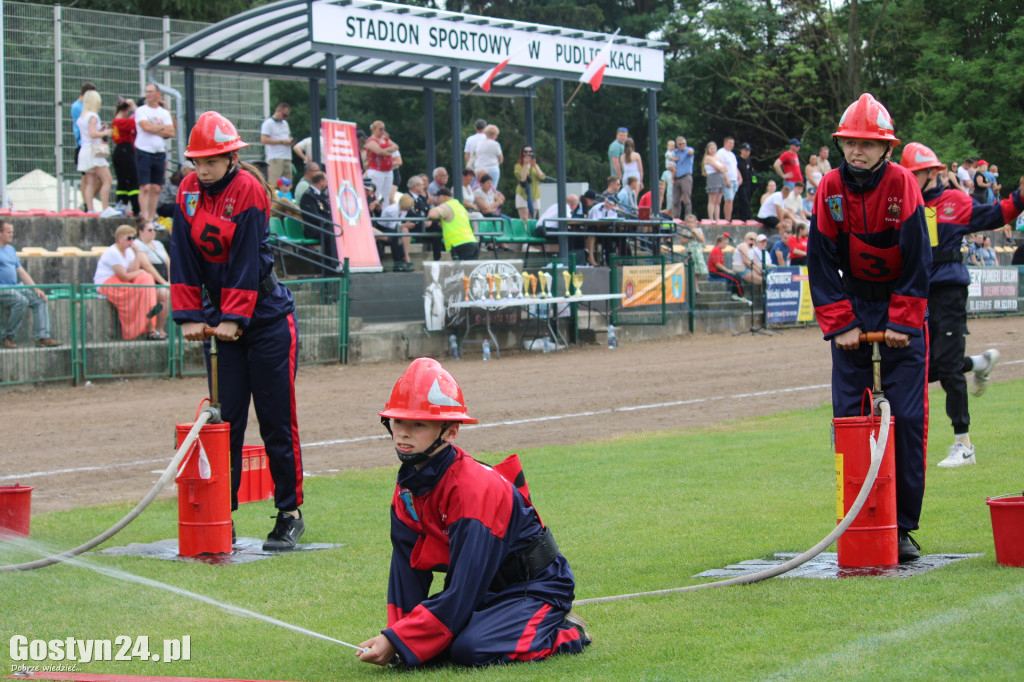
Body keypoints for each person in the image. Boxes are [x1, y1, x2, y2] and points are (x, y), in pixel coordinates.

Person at [356, 358, 589, 668]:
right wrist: (398, 637)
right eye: (398, 421)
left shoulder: (472, 490)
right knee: (430, 650)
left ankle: (566, 632)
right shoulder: (407, 490)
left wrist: (402, 639)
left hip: (537, 587)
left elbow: (463, 587)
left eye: (419, 424)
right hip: (487, 589)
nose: (404, 433)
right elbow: (406, 568)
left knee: (470, 649)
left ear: (450, 432)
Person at [171, 111, 306, 550]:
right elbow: (183, 255)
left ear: (231, 158)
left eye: (211, 161)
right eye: (197, 161)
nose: (203, 169)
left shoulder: (248, 189)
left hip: (266, 320)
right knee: (224, 423)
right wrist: (191, 314)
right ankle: (219, 515)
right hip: (220, 323)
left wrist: (234, 317)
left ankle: (289, 512)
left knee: (275, 421)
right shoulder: (188, 191)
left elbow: (247, 260)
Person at [807, 93, 930, 562]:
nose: (856, 151)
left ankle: (901, 526)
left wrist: (902, 320)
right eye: (849, 143)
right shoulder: (830, 188)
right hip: (853, 303)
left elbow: (919, 259)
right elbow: (819, 261)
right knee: (850, 417)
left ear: (886, 148)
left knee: (908, 418)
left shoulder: (903, 185)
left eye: (867, 143)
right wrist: (840, 323)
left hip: (901, 305)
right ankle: (855, 518)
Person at [899, 141, 1020, 467]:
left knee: (947, 368)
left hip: (949, 292)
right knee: (924, 368)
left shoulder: (953, 201)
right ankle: (978, 363)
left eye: (915, 174)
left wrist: (1019, 199)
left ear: (931, 173)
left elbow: (995, 214)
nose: (910, 180)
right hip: (918, 296)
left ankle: (964, 445)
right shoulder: (903, 207)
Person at [94, 224, 164, 340]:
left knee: (146, 278)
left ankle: (150, 313)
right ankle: (148, 317)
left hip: (121, 281)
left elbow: (133, 271)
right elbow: (124, 277)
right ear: (120, 239)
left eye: (133, 238)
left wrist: (137, 254)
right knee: (140, 289)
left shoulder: (129, 251)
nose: (132, 241)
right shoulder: (112, 252)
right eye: (129, 238)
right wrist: (139, 272)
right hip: (108, 283)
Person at [0, 221, 61, 348]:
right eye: (8, 232)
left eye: (12, 232)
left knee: (40, 299)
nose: (11, 235)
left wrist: (35, 289)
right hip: (2, 288)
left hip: (15, 287)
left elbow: (21, 272)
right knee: (21, 301)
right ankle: (8, 337)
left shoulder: (11, 250)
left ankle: (42, 337)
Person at [134, 83, 175, 223]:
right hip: (144, 151)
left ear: (158, 94)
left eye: (151, 92)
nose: (148, 94)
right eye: (147, 92)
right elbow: (145, 127)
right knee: (145, 186)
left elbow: (171, 131)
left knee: (156, 187)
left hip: (159, 152)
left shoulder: (164, 113)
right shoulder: (141, 110)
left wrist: (154, 128)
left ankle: (152, 217)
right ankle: (144, 217)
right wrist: (161, 128)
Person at [76, 90, 119, 218]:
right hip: (94, 151)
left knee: (90, 181)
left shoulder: (82, 117)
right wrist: (106, 133)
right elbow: (93, 134)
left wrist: (98, 131)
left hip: (85, 149)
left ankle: (90, 209)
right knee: (107, 179)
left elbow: (89, 133)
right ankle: (105, 207)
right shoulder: (93, 116)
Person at [300, 171, 338, 274]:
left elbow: (327, 212)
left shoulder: (321, 195)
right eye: (326, 181)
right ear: (321, 181)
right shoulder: (308, 196)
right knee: (331, 234)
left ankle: (335, 264)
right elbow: (313, 215)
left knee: (337, 232)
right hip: (313, 229)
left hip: (324, 227)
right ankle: (331, 266)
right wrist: (328, 222)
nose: (327, 184)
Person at [428, 188, 479, 260]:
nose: (437, 200)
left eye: (438, 197)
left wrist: (431, 208)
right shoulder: (459, 206)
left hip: (459, 244)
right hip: (472, 242)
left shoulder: (446, 206)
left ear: (443, 197)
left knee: (461, 271)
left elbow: (432, 215)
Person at [110, 98, 140, 216]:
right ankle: (136, 207)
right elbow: (141, 120)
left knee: (122, 179)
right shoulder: (122, 122)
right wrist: (134, 106)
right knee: (132, 178)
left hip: (119, 150)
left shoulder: (115, 121)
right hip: (125, 150)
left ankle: (121, 202)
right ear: (126, 109)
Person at [71, 82, 97, 211]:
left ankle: (88, 201)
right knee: (86, 177)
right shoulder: (78, 107)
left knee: (95, 177)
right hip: (83, 144)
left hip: (90, 144)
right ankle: (86, 203)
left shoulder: (86, 108)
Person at [365, 120, 399, 207]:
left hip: (388, 170)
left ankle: (385, 213)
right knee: (375, 192)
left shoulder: (385, 139)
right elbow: (379, 152)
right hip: (376, 170)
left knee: (386, 195)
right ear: (373, 129)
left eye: (383, 129)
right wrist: (388, 151)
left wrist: (385, 151)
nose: (382, 132)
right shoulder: (370, 141)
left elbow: (396, 146)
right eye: (380, 129)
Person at [376, 193, 414, 272]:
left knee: (399, 235)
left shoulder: (403, 209)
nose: (409, 209)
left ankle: (400, 262)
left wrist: (403, 226)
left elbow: (397, 224)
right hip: (382, 228)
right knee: (396, 237)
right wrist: (405, 225)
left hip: (391, 228)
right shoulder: (393, 210)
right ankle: (399, 262)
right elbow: (392, 226)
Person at [707, 234, 748, 303]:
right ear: (718, 242)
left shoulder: (719, 250)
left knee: (737, 277)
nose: (725, 245)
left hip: (719, 271)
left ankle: (735, 294)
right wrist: (727, 270)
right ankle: (741, 296)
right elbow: (717, 264)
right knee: (735, 279)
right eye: (724, 243)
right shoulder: (716, 250)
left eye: (726, 243)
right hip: (715, 272)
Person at [260, 102, 293, 188]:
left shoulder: (285, 123)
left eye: (287, 116)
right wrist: (281, 141)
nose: (285, 118)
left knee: (288, 182)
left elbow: (287, 136)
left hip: (287, 156)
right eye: (284, 115)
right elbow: (264, 140)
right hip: (275, 156)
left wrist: (290, 140)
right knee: (274, 182)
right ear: (278, 111)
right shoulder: (268, 123)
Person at [514, 145, 546, 221]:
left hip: (534, 194)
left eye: (530, 152)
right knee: (524, 218)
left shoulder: (535, 166)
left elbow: (542, 177)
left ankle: (530, 232)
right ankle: (524, 232)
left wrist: (535, 165)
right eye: (526, 152)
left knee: (532, 218)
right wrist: (526, 165)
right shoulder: (518, 166)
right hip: (523, 193)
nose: (528, 154)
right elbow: (523, 178)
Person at [679, 214, 707, 289]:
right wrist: (690, 237)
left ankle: (695, 283)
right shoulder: (685, 231)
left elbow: (702, 240)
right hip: (689, 251)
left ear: (695, 223)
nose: (690, 224)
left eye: (691, 222)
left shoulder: (699, 230)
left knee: (700, 270)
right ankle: (695, 287)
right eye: (688, 222)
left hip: (697, 251)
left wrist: (696, 234)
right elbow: (682, 242)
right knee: (692, 270)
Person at [702, 141, 729, 221]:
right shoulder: (708, 158)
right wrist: (721, 169)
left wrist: (722, 169)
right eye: (711, 148)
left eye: (714, 148)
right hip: (713, 178)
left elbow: (726, 168)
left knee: (718, 200)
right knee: (712, 199)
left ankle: (717, 218)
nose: (713, 150)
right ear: (708, 149)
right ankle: (711, 218)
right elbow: (719, 168)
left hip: (720, 178)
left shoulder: (718, 157)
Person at [671, 136, 696, 219]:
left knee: (687, 199)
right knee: (675, 200)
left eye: (683, 143)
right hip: (676, 178)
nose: (682, 145)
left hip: (686, 177)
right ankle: (676, 217)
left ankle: (688, 217)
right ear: (677, 145)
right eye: (680, 144)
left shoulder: (688, 150)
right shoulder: (675, 152)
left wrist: (690, 151)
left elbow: (691, 152)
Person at [717, 137, 741, 221]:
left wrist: (739, 177)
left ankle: (729, 218)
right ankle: (727, 219)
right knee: (728, 199)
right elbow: (720, 167)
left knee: (731, 200)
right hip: (727, 179)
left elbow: (735, 167)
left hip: (734, 179)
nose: (732, 145)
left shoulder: (732, 154)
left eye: (733, 143)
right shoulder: (720, 152)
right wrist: (726, 179)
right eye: (730, 143)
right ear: (725, 143)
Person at [735, 142, 756, 221]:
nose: (747, 152)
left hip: (748, 184)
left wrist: (754, 182)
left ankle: (745, 217)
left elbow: (752, 172)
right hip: (741, 183)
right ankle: (746, 217)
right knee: (743, 200)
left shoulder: (749, 160)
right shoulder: (737, 160)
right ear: (741, 150)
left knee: (747, 200)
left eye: (748, 151)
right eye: (746, 150)